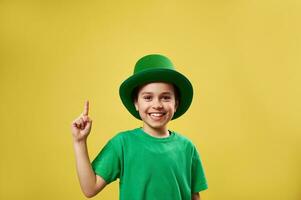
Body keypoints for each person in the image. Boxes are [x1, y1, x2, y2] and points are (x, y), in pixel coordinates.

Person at [71, 54, 208, 200]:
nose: (157, 105)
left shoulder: (187, 148)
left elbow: (194, 196)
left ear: (176, 104)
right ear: (136, 103)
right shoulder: (122, 144)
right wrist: (79, 142)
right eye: (148, 97)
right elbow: (90, 188)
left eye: (166, 97)